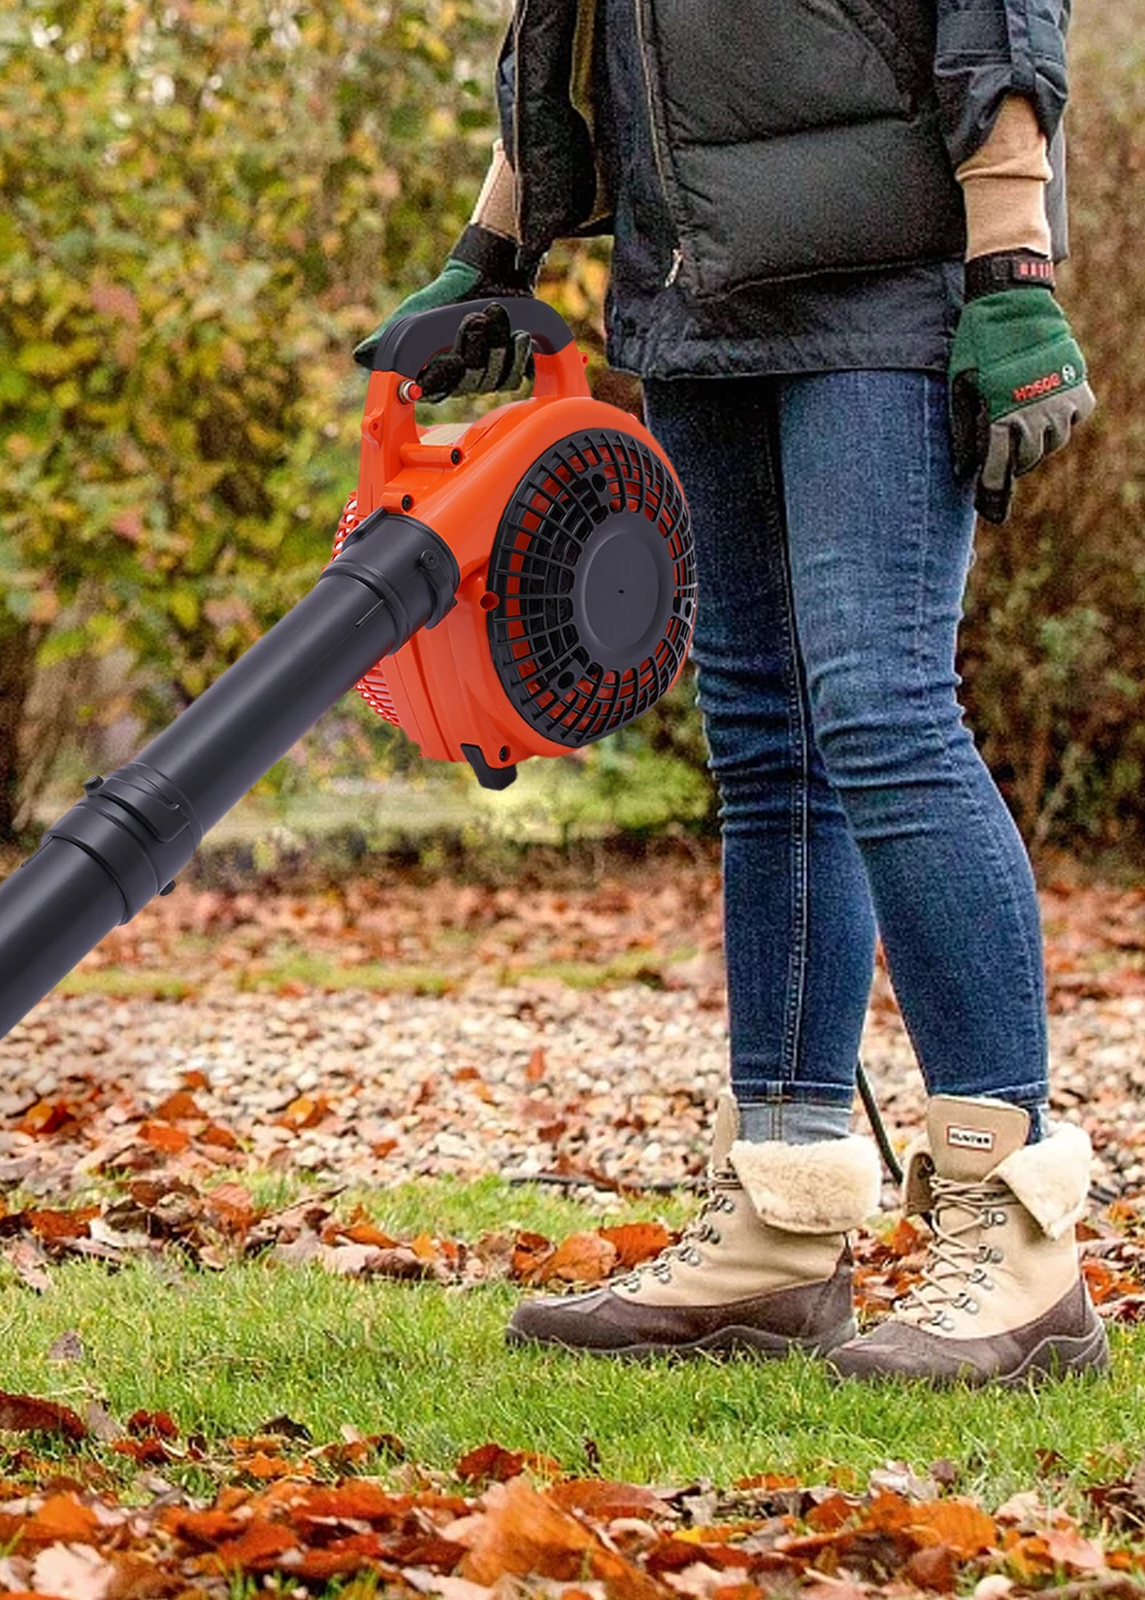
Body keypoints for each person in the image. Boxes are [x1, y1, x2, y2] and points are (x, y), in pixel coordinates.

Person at [355, 0, 1103, 1386]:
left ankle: (1020, 1241)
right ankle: (784, 1216)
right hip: (695, 291)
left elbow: (997, 16)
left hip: (888, 274)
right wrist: (489, 249)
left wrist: (1013, 260)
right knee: (768, 741)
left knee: (881, 710)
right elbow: (569, 28)